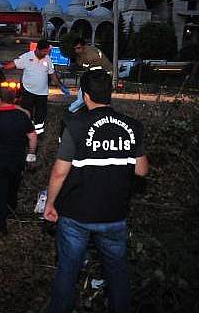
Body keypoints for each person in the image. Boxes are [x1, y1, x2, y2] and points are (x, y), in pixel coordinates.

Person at [44, 70, 149, 312]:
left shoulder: (75, 125)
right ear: (109, 94)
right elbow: (142, 170)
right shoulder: (132, 127)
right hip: (114, 215)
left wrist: (50, 203)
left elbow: (60, 172)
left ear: (85, 95)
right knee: (118, 274)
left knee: (68, 272)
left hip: (75, 215)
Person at [0, 86, 37, 239]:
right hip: (17, 161)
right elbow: (32, 137)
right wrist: (31, 155)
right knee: (13, 187)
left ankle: (0, 227)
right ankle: (11, 211)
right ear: (15, 99)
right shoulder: (23, 116)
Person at [0, 39, 69, 136]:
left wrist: (60, 86)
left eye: (47, 51)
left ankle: (38, 133)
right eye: (44, 51)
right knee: (27, 112)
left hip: (42, 93)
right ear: (38, 49)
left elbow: (52, 74)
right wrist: (2, 67)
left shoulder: (47, 59)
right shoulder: (27, 57)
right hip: (28, 91)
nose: (45, 53)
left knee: (41, 114)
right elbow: (14, 64)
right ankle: (27, 132)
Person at [68, 37, 114, 113]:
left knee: (86, 96)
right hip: (98, 75)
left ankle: (71, 110)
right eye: (75, 48)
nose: (76, 50)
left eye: (78, 48)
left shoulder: (91, 54)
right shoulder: (81, 54)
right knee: (87, 97)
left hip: (101, 76)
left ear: (84, 46)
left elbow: (95, 71)